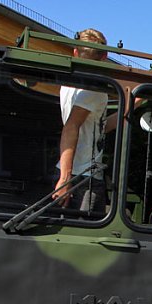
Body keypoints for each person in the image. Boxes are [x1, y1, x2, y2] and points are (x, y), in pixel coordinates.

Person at [53, 28, 109, 213]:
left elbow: (99, 126)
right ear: (105, 57)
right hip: (84, 177)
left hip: (71, 172)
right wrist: (65, 179)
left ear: (75, 52)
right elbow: (71, 127)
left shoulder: (69, 84)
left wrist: (132, 103)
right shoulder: (94, 87)